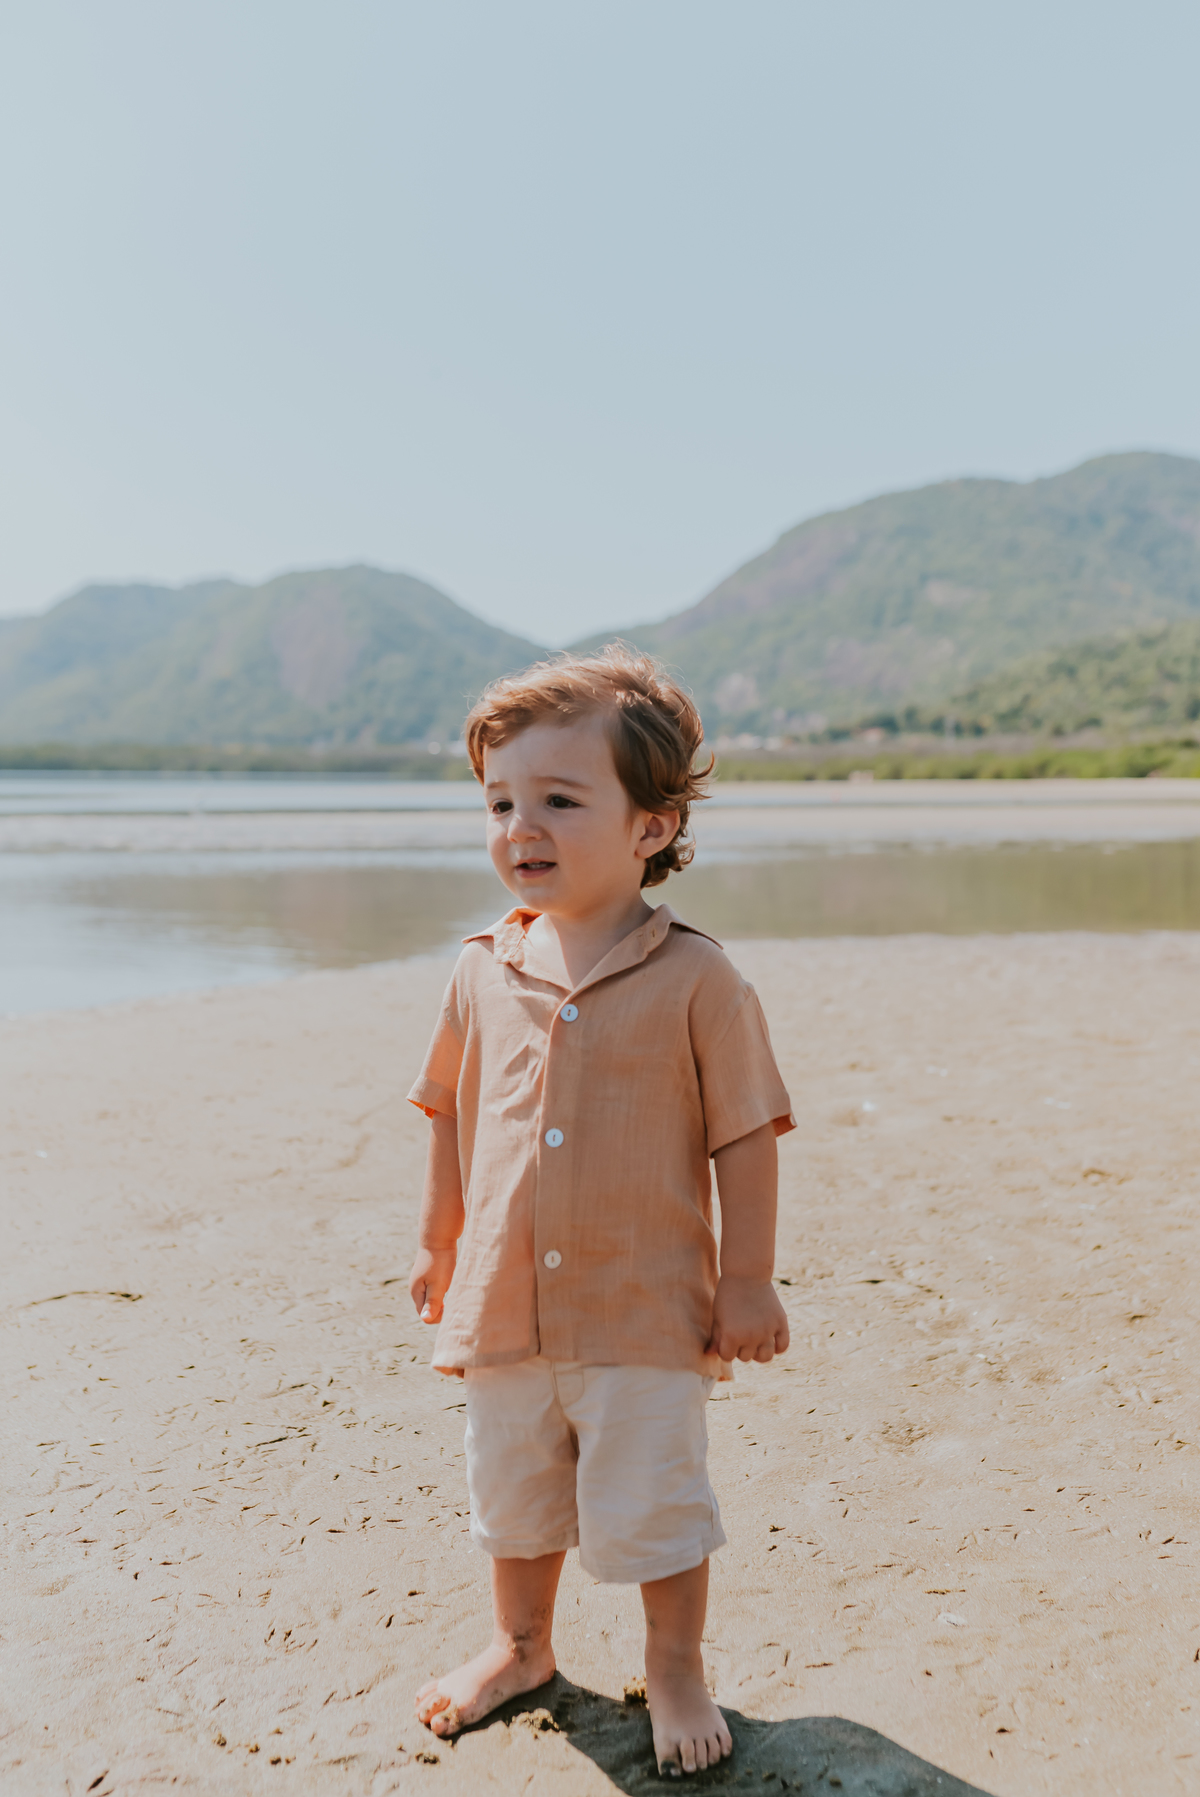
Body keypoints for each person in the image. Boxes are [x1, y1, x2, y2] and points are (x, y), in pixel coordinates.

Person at [406, 645, 794, 1777]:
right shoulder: (482, 967)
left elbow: (745, 1138)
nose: (521, 825)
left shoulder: (700, 981)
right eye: (502, 802)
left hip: (644, 1309)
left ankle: (674, 1664)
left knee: (658, 1506)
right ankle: (521, 1646)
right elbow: (445, 1109)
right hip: (506, 1305)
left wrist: (747, 1281)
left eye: (560, 801)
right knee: (516, 1498)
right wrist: (438, 1242)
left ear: (652, 827)